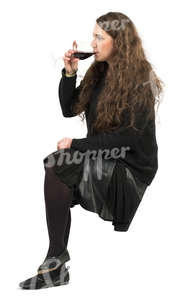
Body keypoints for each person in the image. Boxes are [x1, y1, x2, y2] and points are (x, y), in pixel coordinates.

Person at [19, 11, 164, 289]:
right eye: (93, 36)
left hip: (130, 169)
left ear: (118, 41)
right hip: (107, 156)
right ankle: (56, 263)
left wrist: (78, 145)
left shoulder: (140, 79)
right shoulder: (99, 71)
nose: (93, 43)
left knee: (59, 166)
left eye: (100, 37)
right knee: (57, 166)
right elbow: (68, 108)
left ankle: (55, 263)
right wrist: (70, 72)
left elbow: (128, 139)